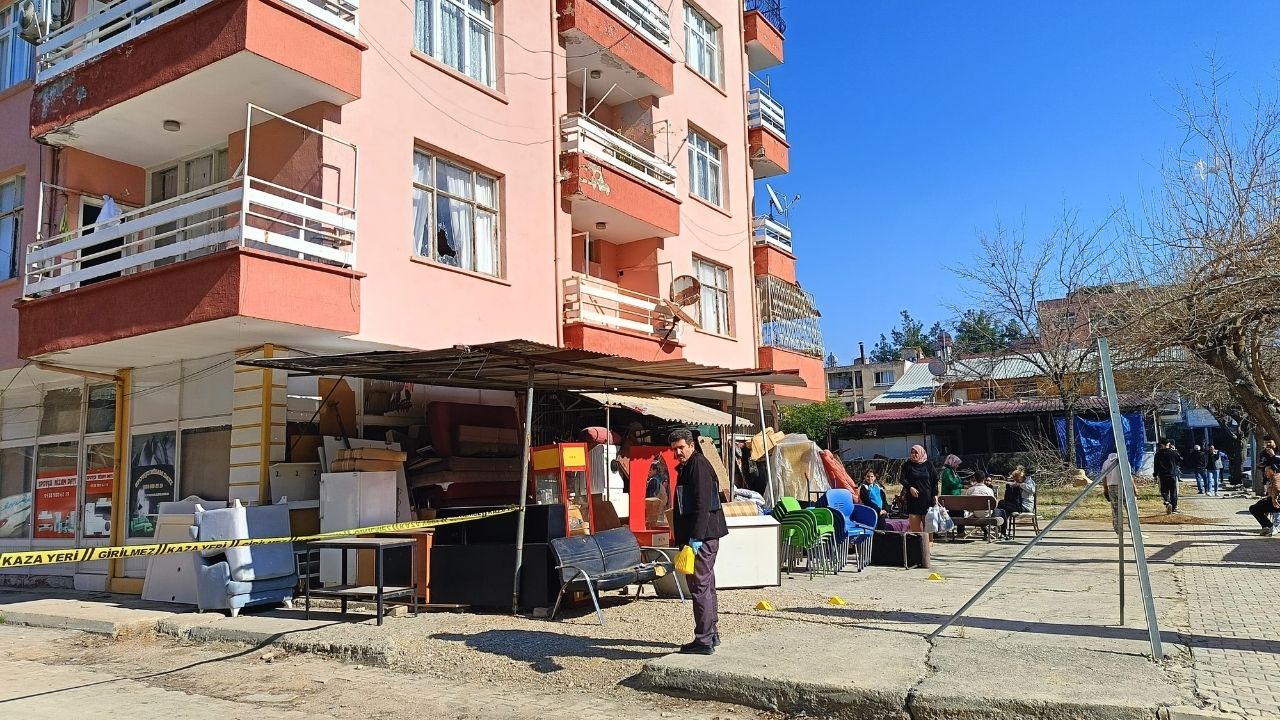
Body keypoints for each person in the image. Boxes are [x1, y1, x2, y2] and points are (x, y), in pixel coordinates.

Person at [669, 428, 728, 656]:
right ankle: (710, 633)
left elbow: (703, 505)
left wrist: (695, 538)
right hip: (703, 536)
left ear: (691, 445)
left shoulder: (698, 465)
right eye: (675, 449)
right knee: (706, 584)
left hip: (702, 538)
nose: (678, 453)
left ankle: (703, 639)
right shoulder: (692, 465)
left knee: (700, 586)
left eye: (681, 448)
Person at [900, 445, 938, 546]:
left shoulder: (928, 465)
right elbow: (902, 479)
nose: (914, 455)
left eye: (916, 452)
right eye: (912, 452)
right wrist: (910, 487)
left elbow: (935, 480)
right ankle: (917, 547)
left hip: (927, 499)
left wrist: (935, 494)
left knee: (928, 526)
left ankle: (929, 547)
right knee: (915, 527)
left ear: (921, 453)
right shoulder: (907, 465)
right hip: (913, 499)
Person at [996, 465, 1035, 539]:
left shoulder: (1029, 481)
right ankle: (1004, 532)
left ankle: (996, 520)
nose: (1016, 481)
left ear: (1021, 478)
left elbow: (1032, 490)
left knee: (1001, 503)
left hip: (1025, 506)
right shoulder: (1017, 483)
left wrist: (1020, 485)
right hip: (1017, 504)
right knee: (1004, 510)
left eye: (1017, 479)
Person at [964, 471, 1002, 540]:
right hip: (987, 515)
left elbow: (966, 504)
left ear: (975, 478)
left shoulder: (970, 490)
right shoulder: (989, 490)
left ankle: (986, 532)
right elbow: (994, 505)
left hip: (975, 513)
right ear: (984, 479)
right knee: (1000, 511)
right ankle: (1002, 533)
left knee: (980, 512)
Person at [1247, 459, 1280, 536]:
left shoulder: (1276, 477)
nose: (1266, 473)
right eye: (1265, 471)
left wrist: (1274, 499)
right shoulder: (1273, 477)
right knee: (1257, 507)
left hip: (1277, 503)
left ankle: (1271, 526)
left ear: (1273, 470)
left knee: (1254, 508)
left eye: (1268, 471)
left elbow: (1277, 488)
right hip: (1273, 501)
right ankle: (1266, 527)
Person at [1153, 440, 1182, 514]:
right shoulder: (1173, 452)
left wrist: (1155, 475)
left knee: (1164, 491)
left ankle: (1167, 501)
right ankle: (1174, 508)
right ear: (1168, 444)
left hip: (1162, 475)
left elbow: (1156, 466)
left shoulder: (1158, 454)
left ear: (1161, 445)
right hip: (1172, 474)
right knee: (1173, 492)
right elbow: (1180, 460)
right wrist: (1175, 450)